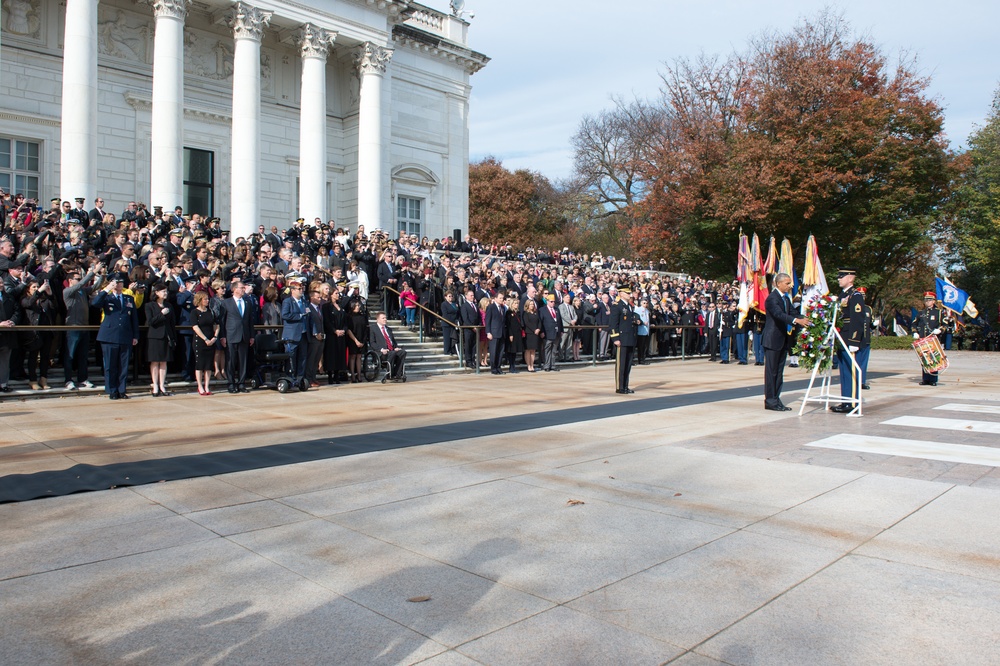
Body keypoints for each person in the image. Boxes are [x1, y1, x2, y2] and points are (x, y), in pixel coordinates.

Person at [762, 272, 810, 411]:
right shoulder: (772, 298)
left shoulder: (785, 299)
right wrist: (796, 321)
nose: (790, 286)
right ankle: (770, 400)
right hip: (772, 340)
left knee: (779, 372)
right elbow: (779, 314)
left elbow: (792, 313)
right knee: (772, 372)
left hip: (782, 340)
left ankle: (776, 399)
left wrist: (808, 318)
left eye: (790, 283)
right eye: (787, 283)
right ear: (778, 284)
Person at [91, 272, 139, 400]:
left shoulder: (128, 298)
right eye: (116, 282)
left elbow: (133, 318)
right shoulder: (107, 297)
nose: (118, 284)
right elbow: (95, 303)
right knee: (110, 365)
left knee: (123, 366)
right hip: (109, 335)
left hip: (125, 335)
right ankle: (112, 390)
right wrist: (106, 289)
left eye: (120, 282)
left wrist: (135, 335)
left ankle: (122, 389)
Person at [831, 268, 865, 413]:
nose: (839, 279)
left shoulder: (855, 295)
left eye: (842, 276)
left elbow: (857, 320)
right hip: (841, 337)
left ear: (850, 278)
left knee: (850, 371)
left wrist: (854, 341)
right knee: (844, 371)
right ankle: (845, 401)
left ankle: (852, 403)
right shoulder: (842, 295)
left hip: (850, 338)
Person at [220, 280, 255, 393]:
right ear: (234, 289)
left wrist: (251, 336)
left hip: (244, 335)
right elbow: (222, 321)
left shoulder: (247, 302)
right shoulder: (226, 303)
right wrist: (222, 336)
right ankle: (231, 383)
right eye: (241, 288)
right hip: (231, 335)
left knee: (242, 361)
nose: (244, 289)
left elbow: (250, 320)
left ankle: (241, 383)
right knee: (231, 361)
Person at [145, 282, 177, 396]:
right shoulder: (150, 305)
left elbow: (172, 323)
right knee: (155, 361)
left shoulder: (169, 306)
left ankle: (162, 385)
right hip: (155, 336)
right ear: (156, 292)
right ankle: (155, 385)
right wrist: (161, 314)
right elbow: (150, 322)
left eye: (166, 291)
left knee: (164, 361)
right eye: (163, 291)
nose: (165, 293)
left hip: (166, 336)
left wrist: (173, 338)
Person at [608, 287, 639, 394]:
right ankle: (620, 387)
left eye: (630, 292)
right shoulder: (617, 306)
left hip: (630, 337)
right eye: (627, 293)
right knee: (621, 364)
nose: (629, 294)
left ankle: (625, 385)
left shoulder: (628, 306)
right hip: (621, 338)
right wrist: (615, 338)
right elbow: (613, 324)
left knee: (628, 364)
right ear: (621, 293)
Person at [912, 291, 944, 387]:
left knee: (934, 359)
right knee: (924, 359)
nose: (927, 302)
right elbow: (914, 324)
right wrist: (914, 332)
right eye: (926, 300)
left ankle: (933, 379)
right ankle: (925, 378)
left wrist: (940, 330)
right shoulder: (921, 313)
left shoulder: (938, 312)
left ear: (933, 301)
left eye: (929, 300)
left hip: (933, 340)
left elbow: (945, 324)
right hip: (923, 339)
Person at [191, 291, 219, 395]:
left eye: (208, 299)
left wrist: (215, 337)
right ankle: (200, 386)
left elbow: (217, 324)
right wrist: (205, 339)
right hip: (200, 340)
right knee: (200, 364)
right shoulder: (195, 312)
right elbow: (195, 327)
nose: (207, 301)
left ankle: (207, 386)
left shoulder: (210, 311)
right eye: (205, 299)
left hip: (211, 340)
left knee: (208, 365)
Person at [370, 311, 406, 379]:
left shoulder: (388, 329)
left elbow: (393, 341)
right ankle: (390, 374)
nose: (385, 319)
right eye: (383, 318)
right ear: (377, 319)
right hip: (382, 353)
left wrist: (396, 347)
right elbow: (372, 343)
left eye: (385, 318)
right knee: (392, 353)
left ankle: (397, 374)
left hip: (391, 350)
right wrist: (381, 349)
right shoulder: (373, 328)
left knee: (403, 352)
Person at [484, 290, 507, 375]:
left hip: (501, 333)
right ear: (495, 298)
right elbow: (487, 320)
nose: (502, 299)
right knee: (493, 351)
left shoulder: (503, 308)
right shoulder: (491, 307)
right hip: (493, 333)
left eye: (502, 298)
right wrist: (488, 332)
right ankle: (493, 368)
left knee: (500, 352)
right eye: (500, 298)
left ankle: (498, 367)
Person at [539, 293, 563, 372]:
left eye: (554, 302)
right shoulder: (542, 310)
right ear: (547, 301)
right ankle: (546, 365)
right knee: (547, 349)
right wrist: (541, 331)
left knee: (554, 349)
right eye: (551, 301)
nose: (553, 303)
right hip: (547, 332)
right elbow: (541, 322)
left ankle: (553, 365)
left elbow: (560, 321)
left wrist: (561, 330)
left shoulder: (556, 309)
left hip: (556, 332)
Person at [346, 299, 368, 382]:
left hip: (361, 338)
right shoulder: (349, 316)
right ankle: (352, 375)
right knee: (353, 356)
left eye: (359, 305)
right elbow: (348, 330)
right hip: (353, 339)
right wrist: (356, 341)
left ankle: (359, 375)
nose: (358, 307)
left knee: (359, 356)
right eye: (356, 305)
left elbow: (365, 328)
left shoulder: (362, 316)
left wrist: (363, 340)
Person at [458, 289, 480, 369]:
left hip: (476, 329)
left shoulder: (475, 305)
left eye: (473, 295)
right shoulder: (464, 306)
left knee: (474, 346)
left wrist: (478, 325)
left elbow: (478, 317)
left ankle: (473, 360)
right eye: (471, 295)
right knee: (468, 345)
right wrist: (472, 326)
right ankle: (468, 361)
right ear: (466, 296)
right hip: (468, 329)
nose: (472, 297)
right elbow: (465, 318)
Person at [505, 295, 524, 374]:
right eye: (515, 303)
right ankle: (511, 365)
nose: (517, 305)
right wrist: (510, 334)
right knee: (511, 350)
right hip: (511, 333)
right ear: (512, 304)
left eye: (517, 303)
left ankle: (513, 365)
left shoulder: (518, 313)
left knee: (515, 351)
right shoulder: (509, 313)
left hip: (517, 333)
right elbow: (508, 324)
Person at [522, 299, 541, 372]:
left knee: (533, 350)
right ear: (527, 305)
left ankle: (532, 365)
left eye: (533, 304)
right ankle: (528, 365)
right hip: (529, 333)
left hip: (536, 333)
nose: (532, 305)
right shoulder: (525, 313)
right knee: (528, 350)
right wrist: (534, 329)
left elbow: (539, 321)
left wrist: (538, 329)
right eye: (530, 304)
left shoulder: (536, 312)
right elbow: (527, 323)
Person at [440, 290, 460, 355]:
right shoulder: (444, 304)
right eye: (449, 296)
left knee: (453, 337)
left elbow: (457, 312)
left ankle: (452, 350)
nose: (451, 297)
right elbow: (445, 314)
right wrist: (453, 319)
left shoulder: (454, 304)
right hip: (447, 323)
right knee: (447, 338)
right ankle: (447, 350)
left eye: (451, 296)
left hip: (454, 323)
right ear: (445, 297)